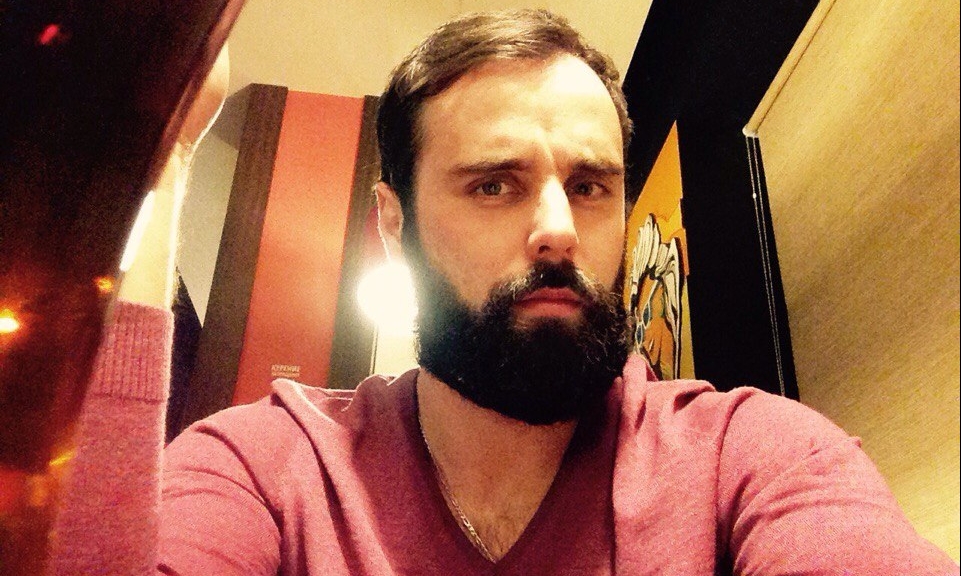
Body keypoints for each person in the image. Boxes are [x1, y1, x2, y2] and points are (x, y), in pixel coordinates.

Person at [52, 9, 958, 575]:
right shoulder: (268, 468)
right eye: (494, 184)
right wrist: (151, 154)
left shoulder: (752, 457)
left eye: (590, 185)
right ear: (394, 225)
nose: (559, 228)